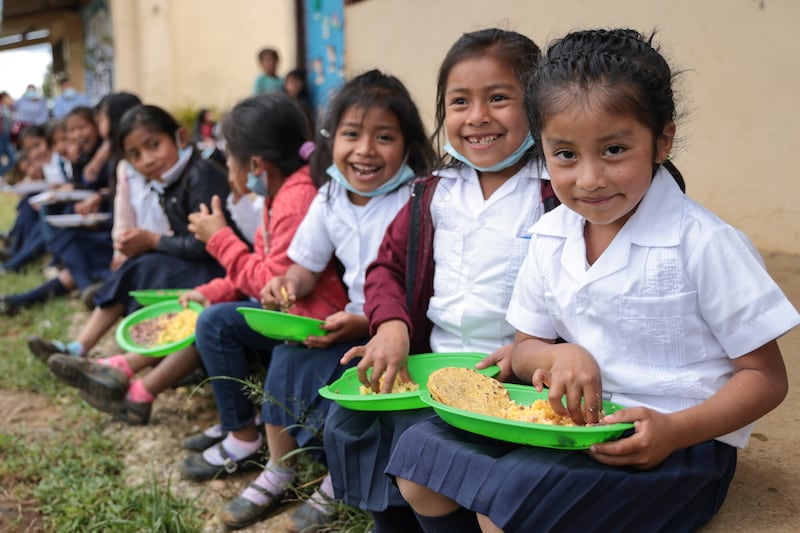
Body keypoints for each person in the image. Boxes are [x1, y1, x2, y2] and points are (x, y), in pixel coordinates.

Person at [387, 28, 800, 533]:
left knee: (506, 505)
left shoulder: (704, 243)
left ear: (661, 141)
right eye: (565, 155)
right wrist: (560, 354)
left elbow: (766, 378)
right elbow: (527, 345)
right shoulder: (550, 233)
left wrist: (673, 431)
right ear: (542, 149)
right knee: (419, 458)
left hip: (674, 444)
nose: (588, 178)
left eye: (613, 150)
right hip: (570, 424)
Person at [323, 29, 553, 533]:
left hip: (517, 383)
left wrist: (539, 353)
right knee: (370, 431)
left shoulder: (555, 194)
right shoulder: (430, 194)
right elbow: (385, 267)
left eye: (498, 98)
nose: (478, 117)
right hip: (430, 371)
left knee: (454, 468)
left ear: (537, 106)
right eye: (459, 102)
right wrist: (391, 328)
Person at [214, 69, 437, 531]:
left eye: (384, 137)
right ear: (331, 139)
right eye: (351, 134)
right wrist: (289, 285)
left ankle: (338, 479)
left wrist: (363, 324)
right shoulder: (331, 195)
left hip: (401, 330)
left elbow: (413, 288)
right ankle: (280, 465)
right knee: (287, 354)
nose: (365, 150)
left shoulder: (417, 198)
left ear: (408, 144)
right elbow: (305, 266)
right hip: (353, 321)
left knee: (359, 378)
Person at [46, 93, 346, 428]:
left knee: (214, 322)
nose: (226, 168)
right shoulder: (276, 196)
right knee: (204, 309)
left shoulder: (292, 198)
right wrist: (211, 290)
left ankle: (239, 432)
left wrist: (216, 237)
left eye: (229, 159)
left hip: (308, 318)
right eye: (134, 155)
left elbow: (272, 285)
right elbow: (264, 269)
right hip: (272, 300)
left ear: (256, 165)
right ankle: (136, 384)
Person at [27, 104, 240, 361]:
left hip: (227, 274)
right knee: (139, 265)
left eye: (154, 145)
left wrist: (152, 240)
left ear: (180, 137)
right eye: (135, 155)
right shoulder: (169, 180)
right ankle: (79, 347)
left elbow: (208, 245)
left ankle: (104, 355)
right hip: (199, 264)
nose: (147, 160)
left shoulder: (200, 176)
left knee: (145, 266)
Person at [0, 91, 16, 177]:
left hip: (6, 137)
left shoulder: (8, 108)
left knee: (13, 159)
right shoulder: (2, 108)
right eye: (8, 98)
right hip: (2, 137)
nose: (10, 100)